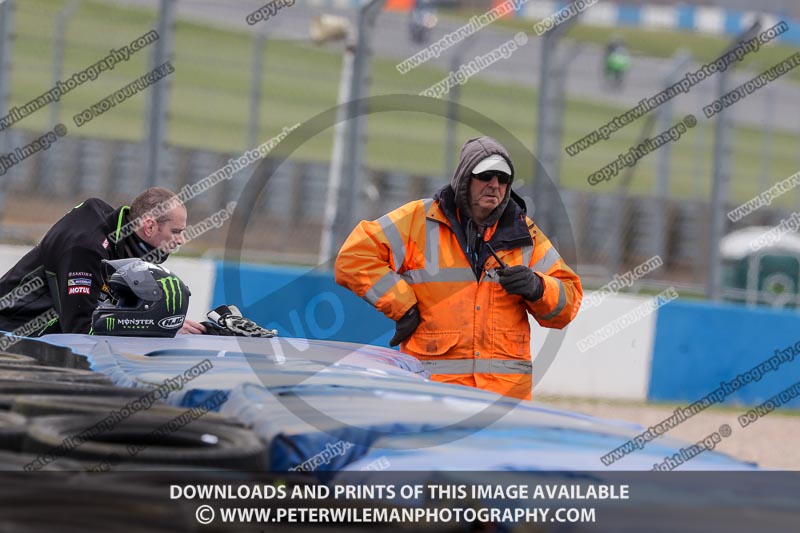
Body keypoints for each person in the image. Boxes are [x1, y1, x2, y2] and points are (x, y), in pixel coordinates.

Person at [335, 137, 582, 400]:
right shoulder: (417, 220)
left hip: (504, 405)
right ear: (465, 178)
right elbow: (353, 258)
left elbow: (569, 301)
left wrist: (537, 287)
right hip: (431, 398)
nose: (494, 184)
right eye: (485, 175)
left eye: (502, 178)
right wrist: (402, 304)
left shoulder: (525, 234)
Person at [0, 187, 207, 335]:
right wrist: (154, 326)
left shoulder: (124, 238)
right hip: (13, 330)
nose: (181, 240)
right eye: (176, 232)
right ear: (150, 226)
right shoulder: (86, 248)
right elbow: (81, 330)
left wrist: (165, 323)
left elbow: (123, 310)